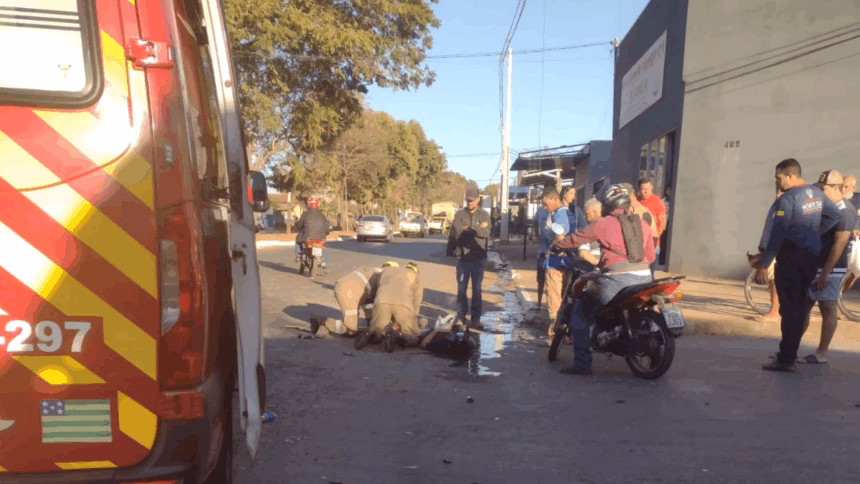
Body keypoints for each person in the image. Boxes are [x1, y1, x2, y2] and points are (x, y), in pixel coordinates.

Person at [553, 184, 655, 376]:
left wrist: (559, 244)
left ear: (607, 204)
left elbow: (576, 239)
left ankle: (582, 363)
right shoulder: (643, 224)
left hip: (617, 279)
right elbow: (650, 256)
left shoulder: (603, 223)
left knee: (580, 312)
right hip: (645, 278)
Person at [754, 159, 841, 373]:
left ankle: (786, 359)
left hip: (791, 259)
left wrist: (764, 265)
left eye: (779, 178)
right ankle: (788, 355)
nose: (778, 182)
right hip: (811, 259)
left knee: (790, 311)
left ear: (790, 176)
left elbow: (777, 235)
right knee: (800, 308)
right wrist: (814, 234)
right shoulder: (816, 194)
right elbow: (834, 215)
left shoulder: (788, 199)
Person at [795, 171, 857, 364]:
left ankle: (822, 353)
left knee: (827, 307)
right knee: (804, 307)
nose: (820, 191)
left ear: (834, 188)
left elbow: (839, 243)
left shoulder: (845, 211)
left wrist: (827, 273)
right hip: (816, 264)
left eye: (823, 189)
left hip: (831, 268)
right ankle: (791, 348)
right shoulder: (826, 207)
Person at [315, 261, 400, 337]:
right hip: (348, 291)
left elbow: (369, 301)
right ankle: (324, 322)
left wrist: (370, 319)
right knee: (351, 329)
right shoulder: (384, 277)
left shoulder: (375, 271)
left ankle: (328, 323)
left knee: (365, 320)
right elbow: (383, 303)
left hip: (348, 288)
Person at [447, 188, 491, 328]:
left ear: (478, 199)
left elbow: (486, 232)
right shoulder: (460, 214)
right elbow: (458, 233)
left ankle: (476, 319)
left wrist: (469, 229)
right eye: (468, 200)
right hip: (463, 259)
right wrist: (476, 228)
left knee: (477, 290)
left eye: (472, 200)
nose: (470, 202)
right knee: (461, 289)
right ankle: (461, 316)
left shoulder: (484, 215)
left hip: (478, 259)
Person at [360, 262, 424, 347]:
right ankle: (394, 337)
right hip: (403, 305)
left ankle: (371, 334)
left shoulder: (387, 270)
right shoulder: (417, 276)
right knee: (412, 337)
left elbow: (377, 288)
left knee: (378, 329)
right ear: (416, 271)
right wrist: (413, 316)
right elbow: (417, 299)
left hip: (381, 301)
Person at [538, 187, 573, 337]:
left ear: (555, 199)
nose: (545, 207)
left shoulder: (560, 215)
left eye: (547, 204)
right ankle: (565, 328)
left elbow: (560, 236)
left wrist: (551, 248)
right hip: (568, 259)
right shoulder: (569, 213)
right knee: (565, 294)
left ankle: (555, 328)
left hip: (557, 260)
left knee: (554, 295)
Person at [750, 185, 786, 322]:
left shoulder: (784, 206)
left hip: (776, 250)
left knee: (775, 280)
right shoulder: (776, 205)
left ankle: (775, 311)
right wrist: (762, 245)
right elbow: (769, 227)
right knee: (772, 281)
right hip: (770, 249)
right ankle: (775, 309)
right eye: (777, 189)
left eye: (782, 190)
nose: (778, 192)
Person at [638, 177, 667, 276]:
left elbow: (662, 224)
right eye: (642, 189)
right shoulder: (636, 202)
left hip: (652, 243)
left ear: (651, 188)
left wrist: (655, 238)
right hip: (637, 244)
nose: (644, 192)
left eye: (646, 189)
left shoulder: (658, 202)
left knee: (649, 272)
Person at [295, 198, 331, 268]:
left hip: (308, 237)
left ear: (309, 205)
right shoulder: (322, 215)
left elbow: (299, 224)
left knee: (297, 239)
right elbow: (327, 229)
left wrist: (297, 226)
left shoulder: (305, 214)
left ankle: (298, 255)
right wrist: (324, 234)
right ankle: (324, 262)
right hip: (320, 238)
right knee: (323, 249)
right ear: (317, 205)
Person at [576, 197, 603, 269]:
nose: (584, 216)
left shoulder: (588, 230)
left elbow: (583, 254)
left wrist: (600, 265)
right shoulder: (612, 226)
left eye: (586, 213)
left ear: (594, 212)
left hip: (594, 271)